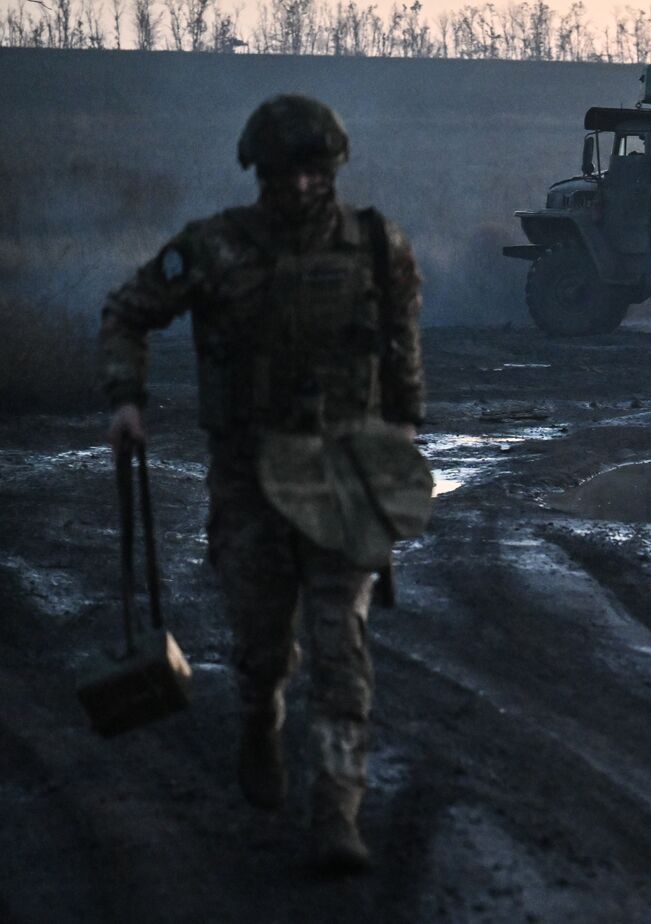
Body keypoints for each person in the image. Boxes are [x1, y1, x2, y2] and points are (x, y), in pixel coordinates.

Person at [98, 94, 427, 874]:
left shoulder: (377, 247)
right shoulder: (215, 249)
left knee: (340, 649)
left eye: (316, 172)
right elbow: (126, 313)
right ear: (259, 173)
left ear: (335, 170)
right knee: (260, 645)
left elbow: (402, 344)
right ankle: (258, 718)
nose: (303, 188)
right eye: (286, 174)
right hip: (248, 478)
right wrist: (124, 400)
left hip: (343, 479)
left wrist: (405, 432)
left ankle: (337, 811)